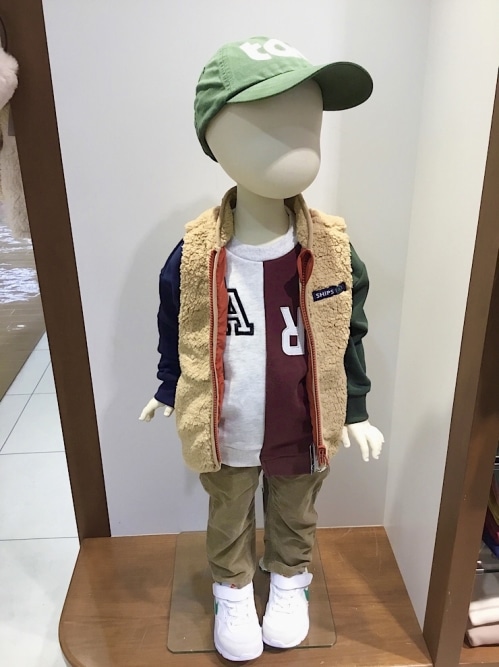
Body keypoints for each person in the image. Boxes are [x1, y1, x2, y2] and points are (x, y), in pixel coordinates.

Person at [140, 36, 384, 662]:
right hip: (227, 424)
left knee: (295, 509)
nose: (296, 143)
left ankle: (289, 581)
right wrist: (167, 387)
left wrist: (356, 409)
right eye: (268, 126)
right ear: (215, 140)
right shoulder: (196, 255)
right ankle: (231, 589)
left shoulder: (333, 250)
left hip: (304, 420)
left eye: (307, 123)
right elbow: (177, 324)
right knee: (228, 511)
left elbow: (348, 331)